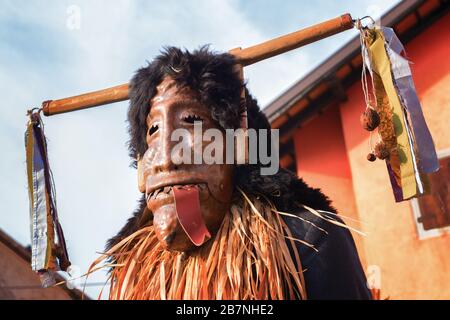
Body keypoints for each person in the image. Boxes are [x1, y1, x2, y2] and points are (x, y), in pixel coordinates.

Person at [99, 46, 371, 300]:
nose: (166, 158)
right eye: (153, 129)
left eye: (192, 120)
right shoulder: (130, 269)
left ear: (239, 146)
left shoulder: (305, 239)